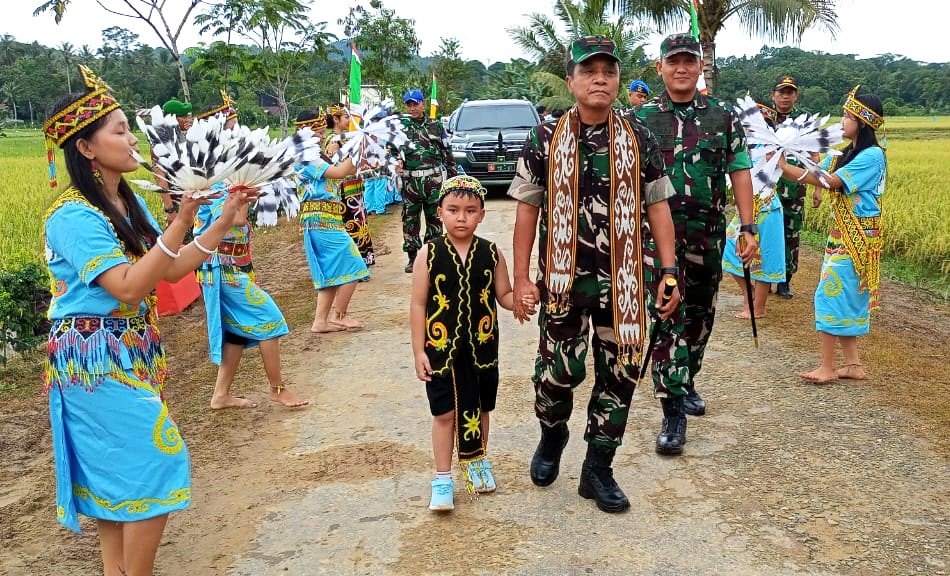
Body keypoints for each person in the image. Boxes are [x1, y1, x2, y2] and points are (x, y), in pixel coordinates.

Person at [42, 64, 258, 575]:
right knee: (158, 460)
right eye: (119, 129)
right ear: (87, 149)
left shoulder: (126, 201)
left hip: (130, 350)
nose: (133, 138)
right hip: (92, 360)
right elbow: (127, 286)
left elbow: (171, 266)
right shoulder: (74, 215)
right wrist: (181, 219)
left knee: (123, 474)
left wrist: (224, 216)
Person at [510, 36, 680, 513]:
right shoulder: (544, 138)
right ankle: (552, 434)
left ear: (619, 80)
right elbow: (526, 209)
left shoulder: (638, 137)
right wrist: (523, 278)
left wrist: (668, 270)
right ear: (571, 81)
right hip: (563, 283)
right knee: (558, 374)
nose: (599, 78)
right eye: (589, 71)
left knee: (621, 374)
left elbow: (658, 205)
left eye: (608, 70)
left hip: (625, 284)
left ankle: (598, 468)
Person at [631, 33, 757, 453]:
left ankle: (686, 380)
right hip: (655, 240)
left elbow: (739, 170)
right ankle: (673, 413)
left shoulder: (722, 117)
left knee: (700, 315)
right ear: (660, 68)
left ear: (700, 66)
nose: (682, 68)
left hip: (706, 234)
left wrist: (748, 227)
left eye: (689, 61)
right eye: (674, 61)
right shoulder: (640, 118)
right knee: (668, 315)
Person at [410, 175, 528, 511]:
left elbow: (502, 294)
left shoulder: (491, 253)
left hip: (482, 350)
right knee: (444, 413)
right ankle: (443, 479)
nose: (461, 217)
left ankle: (477, 463)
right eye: (453, 209)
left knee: (481, 408)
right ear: (439, 213)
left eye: (470, 210)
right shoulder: (428, 254)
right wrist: (419, 350)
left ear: (482, 214)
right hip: (440, 352)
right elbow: (419, 304)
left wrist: (519, 300)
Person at [777, 87, 886, 384]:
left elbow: (832, 182)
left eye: (847, 116)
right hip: (842, 236)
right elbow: (814, 172)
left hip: (856, 239)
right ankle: (852, 365)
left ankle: (827, 366)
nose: (842, 120)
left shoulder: (873, 155)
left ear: (862, 122)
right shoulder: (845, 153)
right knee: (845, 296)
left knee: (831, 294)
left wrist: (788, 164)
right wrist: (784, 160)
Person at [295, 109, 370, 333]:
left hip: (327, 217)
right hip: (319, 219)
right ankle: (340, 315)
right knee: (355, 264)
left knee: (331, 273)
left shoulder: (315, 155)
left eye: (320, 129)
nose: (321, 134)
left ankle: (320, 321)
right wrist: (358, 145)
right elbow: (339, 172)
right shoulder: (304, 156)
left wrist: (359, 149)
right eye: (316, 130)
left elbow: (347, 170)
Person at [758, 75, 811, 298]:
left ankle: (785, 280)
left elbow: (812, 152)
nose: (785, 96)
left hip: (794, 185)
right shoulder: (762, 119)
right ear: (773, 95)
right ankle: (764, 278)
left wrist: (817, 187)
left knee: (791, 233)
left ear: (795, 95)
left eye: (790, 92)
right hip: (768, 185)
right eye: (781, 92)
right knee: (766, 232)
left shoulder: (803, 121)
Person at [398, 88, 457, 272]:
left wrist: (453, 177)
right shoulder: (400, 127)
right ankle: (412, 256)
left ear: (423, 104)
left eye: (415, 104)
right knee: (410, 219)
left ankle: (432, 254)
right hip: (410, 181)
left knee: (435, 217)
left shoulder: (435, 126)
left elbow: (446, 151)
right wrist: (395, 161)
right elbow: (391, 150)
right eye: (409, 104)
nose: (412, 108)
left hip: (433, 180)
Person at [325, 103, 376, 267]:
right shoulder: (333, 142)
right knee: (350, 227)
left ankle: (361, 263)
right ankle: (354, 265)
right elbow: (336, 168)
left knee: (359, 225)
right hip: (344, 193)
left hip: (355, 190)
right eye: (346, 117)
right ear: (335, 119)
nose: (349, 120)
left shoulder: (348, 138)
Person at [155, 98, 192, 225]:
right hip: (176, 201)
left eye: (188, 117)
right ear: (172, 118)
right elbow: (160, 176)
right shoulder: (160, 141)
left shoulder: (182, 135)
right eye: (183, 117)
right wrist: (169, 209)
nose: (187, 120)